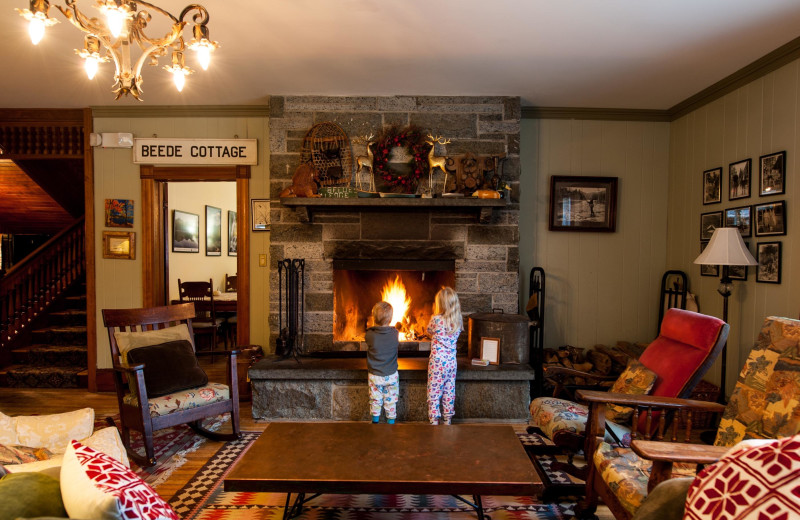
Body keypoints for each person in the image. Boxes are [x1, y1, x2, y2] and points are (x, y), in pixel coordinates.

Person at [426, 287, 463, 425]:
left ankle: (434, 419)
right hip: (451, 362)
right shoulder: (458, 321)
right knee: (449, 389)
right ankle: (447, 419)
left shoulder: (435, 319)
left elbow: (428, 330)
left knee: (434, 390)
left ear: (439, 304)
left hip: (437, 362)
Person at [364, 301, 399, 424]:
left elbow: (368, 339)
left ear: (374, 318)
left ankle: (375, 422)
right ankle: (391, 423)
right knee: (391, 401)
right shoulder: (395, 333)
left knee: (375, 400)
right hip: (391, 375)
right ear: (390, 319)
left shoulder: (369, 335)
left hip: (375, 375)